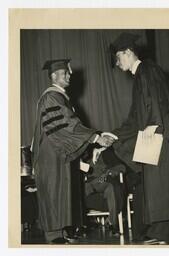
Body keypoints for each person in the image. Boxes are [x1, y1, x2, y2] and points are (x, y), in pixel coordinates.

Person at [31, 59, 113, 244]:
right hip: (52, 151)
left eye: (68, 73)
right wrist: (94, 137)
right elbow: (66, 125)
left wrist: (93, 138)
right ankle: (53, 234)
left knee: (61, 191)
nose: (69, 75)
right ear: (53, 76)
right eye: (64, 72)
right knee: (53, 191)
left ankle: (62, 231)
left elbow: (68, 125)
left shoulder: (60, 97)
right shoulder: (51, 97)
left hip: (59, 150)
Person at [109, 33, 169, 244]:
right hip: (152, 134)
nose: (117, 64)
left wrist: (155, 123)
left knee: (162, 185)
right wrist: (114, 134)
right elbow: (135, 117)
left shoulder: (148, 69)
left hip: (159, 135)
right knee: (155, 184)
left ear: (128, 53)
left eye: (118, 58)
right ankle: (161, 231)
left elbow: (159, 97)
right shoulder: (140, 75)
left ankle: (165, 233)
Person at [83, 146, 126, 235]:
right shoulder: (86, 152)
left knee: (111, 187)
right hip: (87, 181)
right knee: (80, 190)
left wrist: (109, 173)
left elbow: (122, 167)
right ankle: (80, 225)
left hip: (102, 180)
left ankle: (112, 223)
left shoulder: (108, 153)